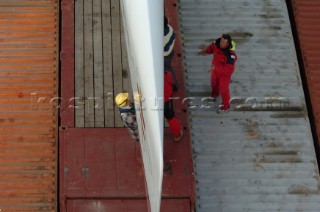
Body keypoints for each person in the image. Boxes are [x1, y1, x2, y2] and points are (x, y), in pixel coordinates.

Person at [198, 34, 237, 113]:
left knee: (223, 89)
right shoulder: (216, 42)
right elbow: (211, 47)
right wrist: (206, 50)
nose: (221, 43)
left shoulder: (231, 55)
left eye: (224, 42)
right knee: (214, 83)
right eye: (221, 41)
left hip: (224, 74)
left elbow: (229, 69)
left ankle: (226, 106)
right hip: (215, 69)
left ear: (228, 44)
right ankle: (215, 94)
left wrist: (216, 69)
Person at [164, 70, 183, 141]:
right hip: (167, 99)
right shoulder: (167, 74)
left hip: (154, 101)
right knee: (171, 117)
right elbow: (171, 81)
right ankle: (177, 135)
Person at [164, 16, 178, 91]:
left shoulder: (163, 38)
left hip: (165, 55)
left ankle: (174, 84)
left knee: (167, 69)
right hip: (170, 51)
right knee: (169, 68)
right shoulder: (170, 28)